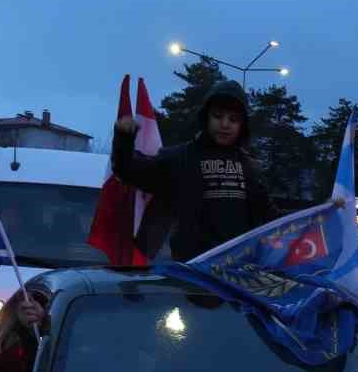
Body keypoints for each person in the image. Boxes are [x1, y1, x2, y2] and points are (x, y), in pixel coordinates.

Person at [110, 79, 274, 263]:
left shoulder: (249, 166)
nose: (225, 124)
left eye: (233, 119)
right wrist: (123, 138)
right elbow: (127, 171)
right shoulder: (180, 158)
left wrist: (310, 223)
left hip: (239, 272)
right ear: (206, 118)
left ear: (242, 126)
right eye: (218, 116)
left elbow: (270, 218)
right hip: (193, 273)